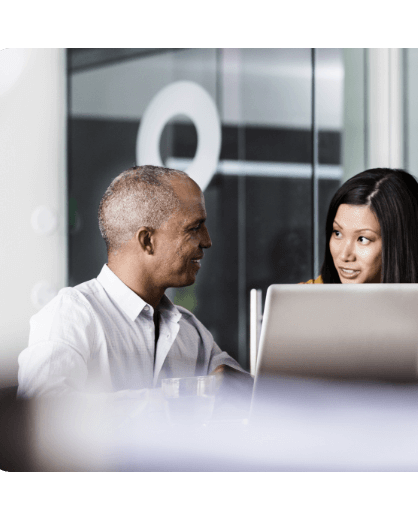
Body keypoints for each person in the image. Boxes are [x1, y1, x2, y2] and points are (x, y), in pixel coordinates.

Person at [17, 166, 252, 401]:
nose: (207, 241)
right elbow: (42, 415)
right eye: (194, 228)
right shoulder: (71, 316)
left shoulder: (192, 332)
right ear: (147, 240)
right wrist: (179, 400)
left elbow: (252, 396)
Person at [302, 168, 418, 380]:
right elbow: (281, 397)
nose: (344, 254)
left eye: (363, 239)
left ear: (396, 245)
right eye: (337, 233)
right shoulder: (302, 303)